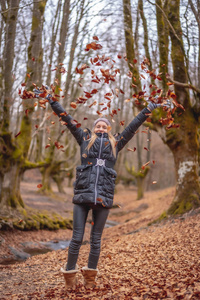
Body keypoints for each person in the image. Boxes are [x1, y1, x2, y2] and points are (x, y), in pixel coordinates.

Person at [34, 87, 164, 289]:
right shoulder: (84, 140)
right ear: (94, 128)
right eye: (99, 126)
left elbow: (133, 125)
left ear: (109, 129)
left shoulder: (116, 144)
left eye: (104, 126)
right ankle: (69, 278)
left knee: (96, 241)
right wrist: (51, 101)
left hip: (103, 198)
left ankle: (90, 279)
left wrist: (149, 108)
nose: (101, 128)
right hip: (82, 197)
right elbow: (67, 119)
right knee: (76, 238)